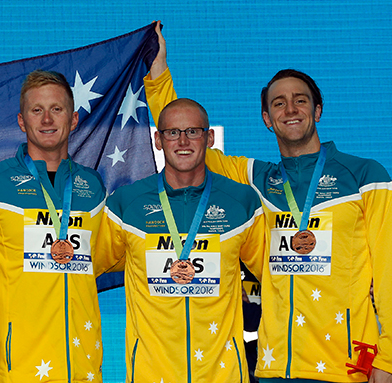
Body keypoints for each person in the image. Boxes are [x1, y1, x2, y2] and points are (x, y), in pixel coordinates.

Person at [144, 22, 392, 383]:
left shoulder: (364, 176)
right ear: (267, 119)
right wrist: (158, 77)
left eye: (300, 100)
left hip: (348, 368)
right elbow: (188, 142)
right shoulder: (260, 180)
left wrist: (391, 359)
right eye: (278, 103)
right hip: (274, 367)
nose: (290, 108)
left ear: (318, 110)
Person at [95, 98, 267, 382]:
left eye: (193, 131)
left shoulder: (242, 202)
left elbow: (280, 277)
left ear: (209, 137)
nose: (183, 140)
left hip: (222, 374)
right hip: (151, 374)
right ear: (158, 140)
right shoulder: (127, 204)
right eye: (172, 132)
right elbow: (81, 268)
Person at [0, 70, 107, 382]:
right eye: (36, 110)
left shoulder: (93, 187)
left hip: (83, 367)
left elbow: (106, 258)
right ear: (21, 121)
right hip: (17, 368)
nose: (46, 120)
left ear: (72, 120)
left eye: (56, 109)